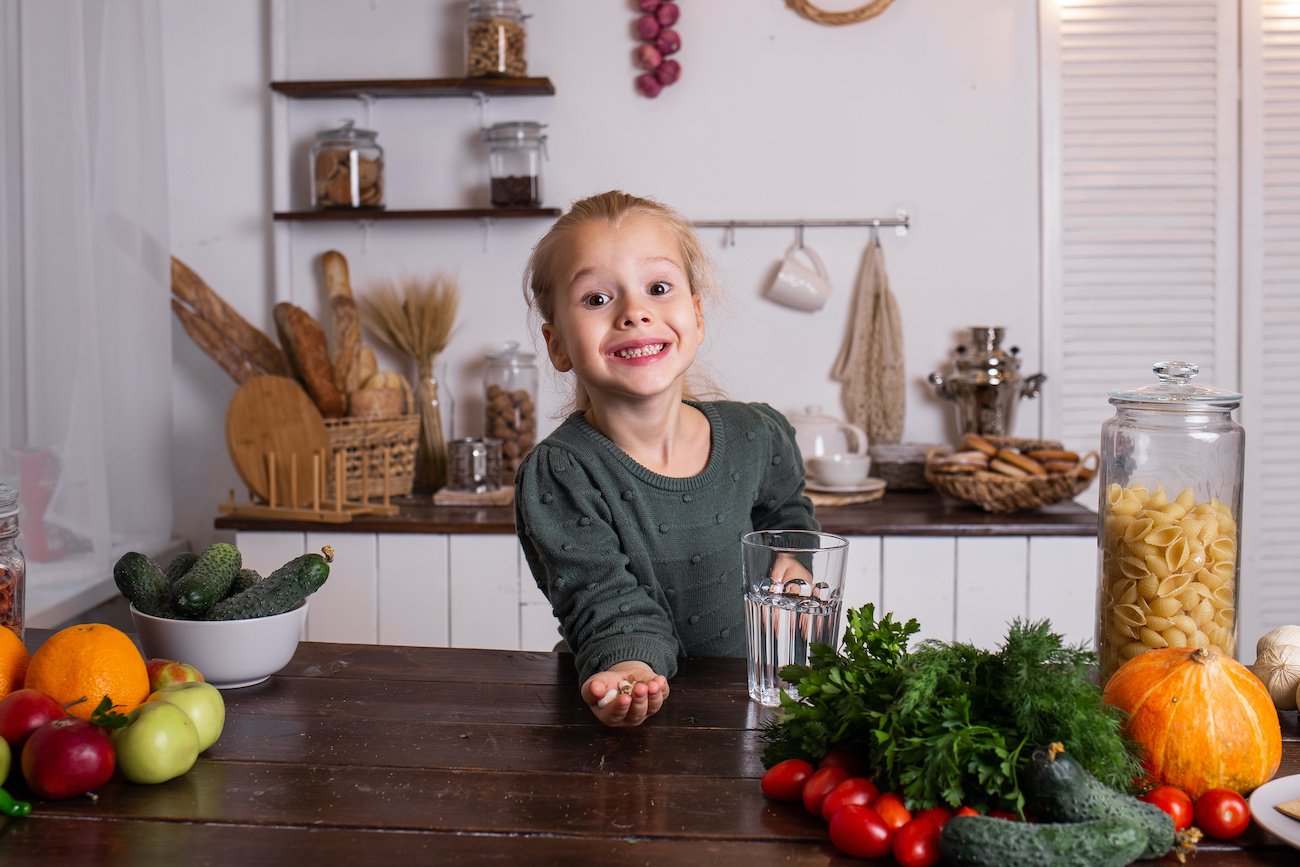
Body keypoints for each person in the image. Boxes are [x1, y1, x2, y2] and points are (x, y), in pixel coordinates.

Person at [515, 190, 818, 727]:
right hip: (632, 718)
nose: (635, 312)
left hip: (750, 707)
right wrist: (629, 674)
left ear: (696, 316)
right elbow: (605, 603)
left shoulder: (757, 435)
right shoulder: (561, 473)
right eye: (596, 299)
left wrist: (791, 559)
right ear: (557, 343)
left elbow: (785, 516)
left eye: (658, 288)